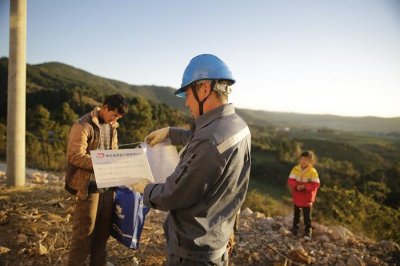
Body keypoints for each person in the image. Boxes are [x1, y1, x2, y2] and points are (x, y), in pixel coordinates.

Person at [133, 54, 251, 266]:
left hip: (193, 253)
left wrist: (146, 189)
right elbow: (204, 146)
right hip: (216, 236)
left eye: (187, 93)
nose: (186, 102)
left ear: (204, 88)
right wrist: (172, 133)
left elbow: (174, 194)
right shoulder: (237, 125)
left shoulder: (210, 139)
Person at [65, 94, 128, 266]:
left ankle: (98, 263)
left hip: (107, 186)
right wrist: (103, 162)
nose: (115, 120)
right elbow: (75, 156)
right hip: (89, 186)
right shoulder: (83, 125)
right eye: (114, 115)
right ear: (104, 107)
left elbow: (113, 151)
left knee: (103, 231)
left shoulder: (113, 126)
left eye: (119, 118)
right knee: (84, 233)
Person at [287, 150, 320, 240]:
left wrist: (305, 187)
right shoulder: (295, 169)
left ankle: (307, 232)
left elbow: (316, 184)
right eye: (302, 159)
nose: (303, 161)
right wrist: (296, 186)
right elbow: (290, 180)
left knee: (307, 216)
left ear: (310, 161)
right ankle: (295, 229)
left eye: (306, 160)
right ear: (299, 159)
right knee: (296, 214)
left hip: (307, 198)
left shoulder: (313, 172)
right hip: (297, 196)